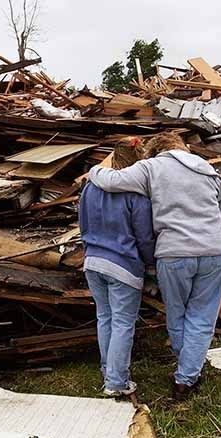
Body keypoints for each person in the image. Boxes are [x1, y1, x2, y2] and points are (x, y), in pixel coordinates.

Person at [88, 133, 221, 401]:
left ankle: (187, 368)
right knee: (203, 316)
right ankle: (186, 377)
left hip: (173, 253)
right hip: (214, 251)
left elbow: (111, 181)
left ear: (154, 151)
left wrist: (94, 169)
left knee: (177, 315)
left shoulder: (151, 167)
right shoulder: (208, 170)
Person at [79, 146, 155, 397]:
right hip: (124, 265)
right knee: (123, 322)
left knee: (105, 317)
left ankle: (107, 368)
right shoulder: (137, 195)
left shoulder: (90, 188)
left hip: (93, 261)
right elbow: (144, 237)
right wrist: (149, 263)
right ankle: (116, 382)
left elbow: (82, 224)